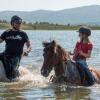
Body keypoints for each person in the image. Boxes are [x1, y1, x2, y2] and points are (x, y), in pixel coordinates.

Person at [0, 15, 31, 80]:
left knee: (12, 72)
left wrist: (27, 51)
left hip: (16, 56)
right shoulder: (7, 32)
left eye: (20, 23)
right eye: (17, 22)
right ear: (12, 23)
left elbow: (29, 45)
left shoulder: (23, 34)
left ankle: (13, 80)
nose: (18, 24)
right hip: (6, 54)